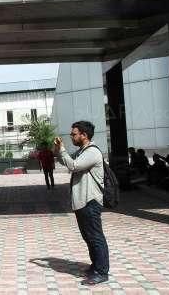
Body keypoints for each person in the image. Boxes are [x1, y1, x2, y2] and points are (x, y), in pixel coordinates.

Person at [54, 121, 109, 285]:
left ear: (84, 135)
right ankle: (95, 266)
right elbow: (67, 162)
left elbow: (74, 166)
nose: (72, 136)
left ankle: (102, 271)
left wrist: (62, 150)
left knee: (96, 237)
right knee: (89, 237)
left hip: (90, 201)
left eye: (74, 134)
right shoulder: (82, 151)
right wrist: (58, 150)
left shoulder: (92, 152)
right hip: (82, 202)